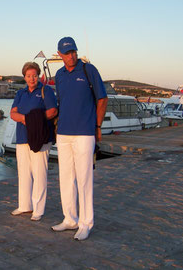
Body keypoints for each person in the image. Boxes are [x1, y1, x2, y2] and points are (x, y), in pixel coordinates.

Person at [51, 37, 108, 240]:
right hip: (64, 133)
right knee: (65, 177)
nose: (71, 56)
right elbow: (60, 102)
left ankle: (86, 223)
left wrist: (98, 126)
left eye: (73, 51)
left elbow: (102, 98)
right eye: (67, 53)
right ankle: (70, 219)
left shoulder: (88, 70)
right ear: (60, 55)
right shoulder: (58, 75)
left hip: (84, 132)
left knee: (84, 179)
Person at [10, 62, 58, 221]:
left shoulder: (45, 90)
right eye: (29, 76)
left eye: (35, 75)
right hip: (23, 137)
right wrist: (28, 119)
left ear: (39, 76)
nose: (32, 79)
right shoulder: (21, 93)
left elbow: (52, 111)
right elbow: (12, 113)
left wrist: (34, 120)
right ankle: (24, 205)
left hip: (40, 137)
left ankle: (38, 209)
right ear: (24, 77)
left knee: (39, 173)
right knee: (23, 173)